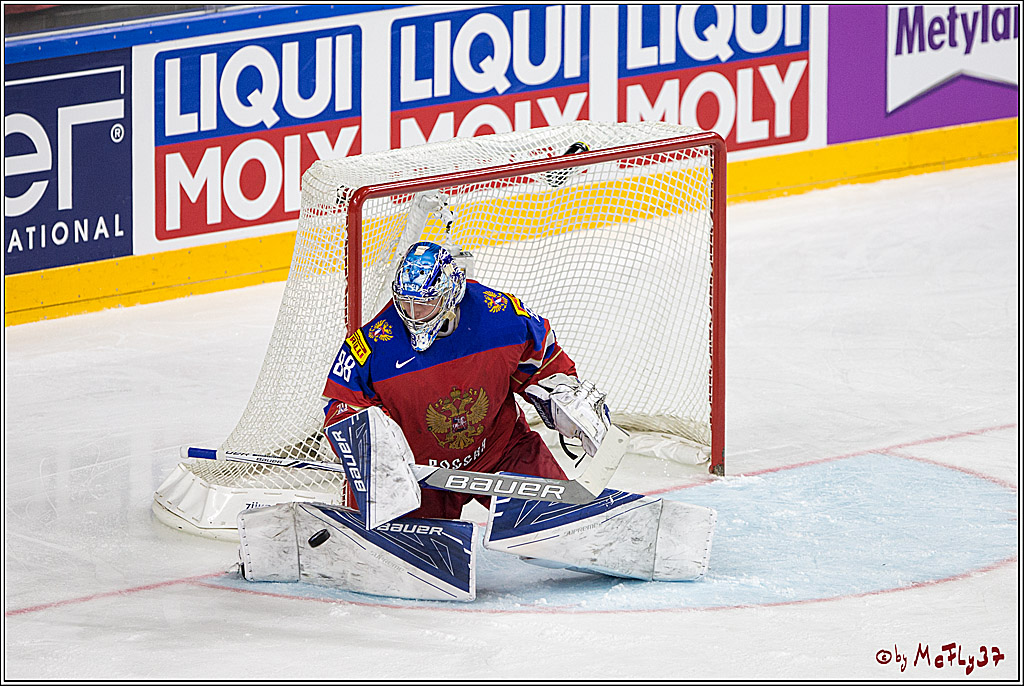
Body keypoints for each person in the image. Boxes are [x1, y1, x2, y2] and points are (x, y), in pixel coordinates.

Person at [320, 239, 598, 520]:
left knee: (560, 525)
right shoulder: (372, 342)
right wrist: (367, 448)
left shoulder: (500, 314)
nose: (412, 314)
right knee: (401, 558)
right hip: (419, 475)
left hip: (501, 451)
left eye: (425, 303)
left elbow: (542, 360)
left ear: (450, 294)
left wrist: (564, 394)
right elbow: (340, 407)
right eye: (405, 303)